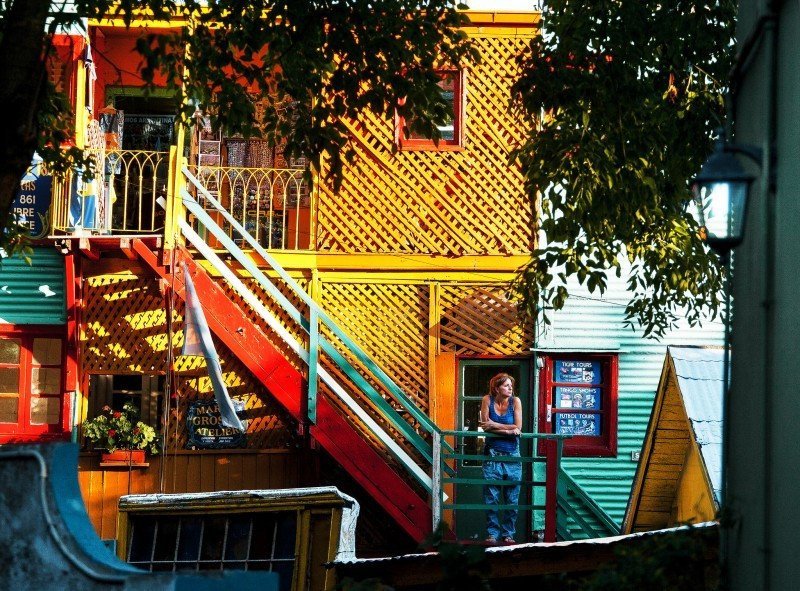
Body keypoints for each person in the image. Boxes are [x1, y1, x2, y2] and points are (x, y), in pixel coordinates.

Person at [479, 372, 522, 544]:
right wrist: (509, 431)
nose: (510, 388)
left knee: (512, 498)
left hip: (512, 454)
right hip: (492, 454)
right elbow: (485, 427)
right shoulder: (487, 400)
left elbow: (518, 426)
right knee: (492, 498)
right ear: (496, 388)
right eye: (506, 385)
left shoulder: (515, 401)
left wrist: (495, 425)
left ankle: (508, 534)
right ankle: (492, 534)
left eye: (511, 385)